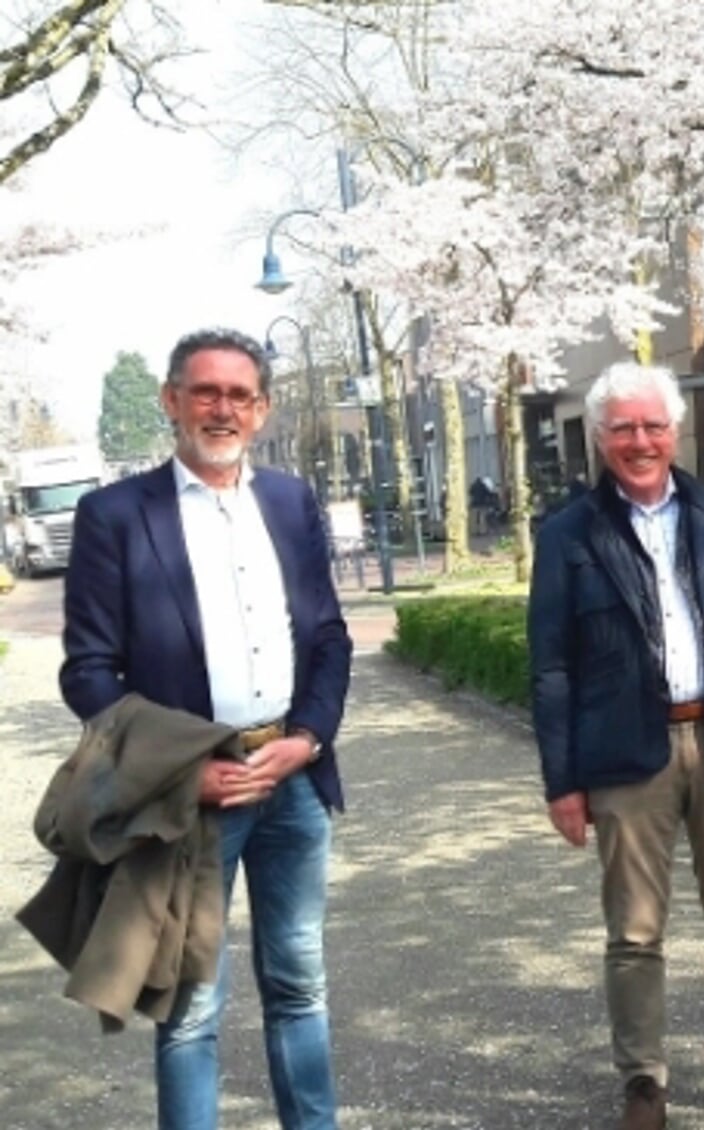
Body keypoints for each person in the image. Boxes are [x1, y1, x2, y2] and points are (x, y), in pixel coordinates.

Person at [59, 327, 354, 1130]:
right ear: (172, 401)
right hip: (193, 794)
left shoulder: (290, 503)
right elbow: (87, 670)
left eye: (239, 395)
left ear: (260, 409)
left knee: (301, 984)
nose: (221, 408)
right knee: (191, 1004)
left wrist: (310, 738)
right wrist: (181, 772)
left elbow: (328, 635)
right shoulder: (114, 514)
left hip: (292, 777)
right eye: (205, 391)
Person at [528, 363, 704, 1130]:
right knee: (635, 930)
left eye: (652, 426)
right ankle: (644, 1084)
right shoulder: (567, 534)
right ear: (600, 437)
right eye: (622, 428)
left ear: (675, 431)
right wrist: (562, 780)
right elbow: (551, 665)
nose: (639, 441)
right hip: (625, 753)